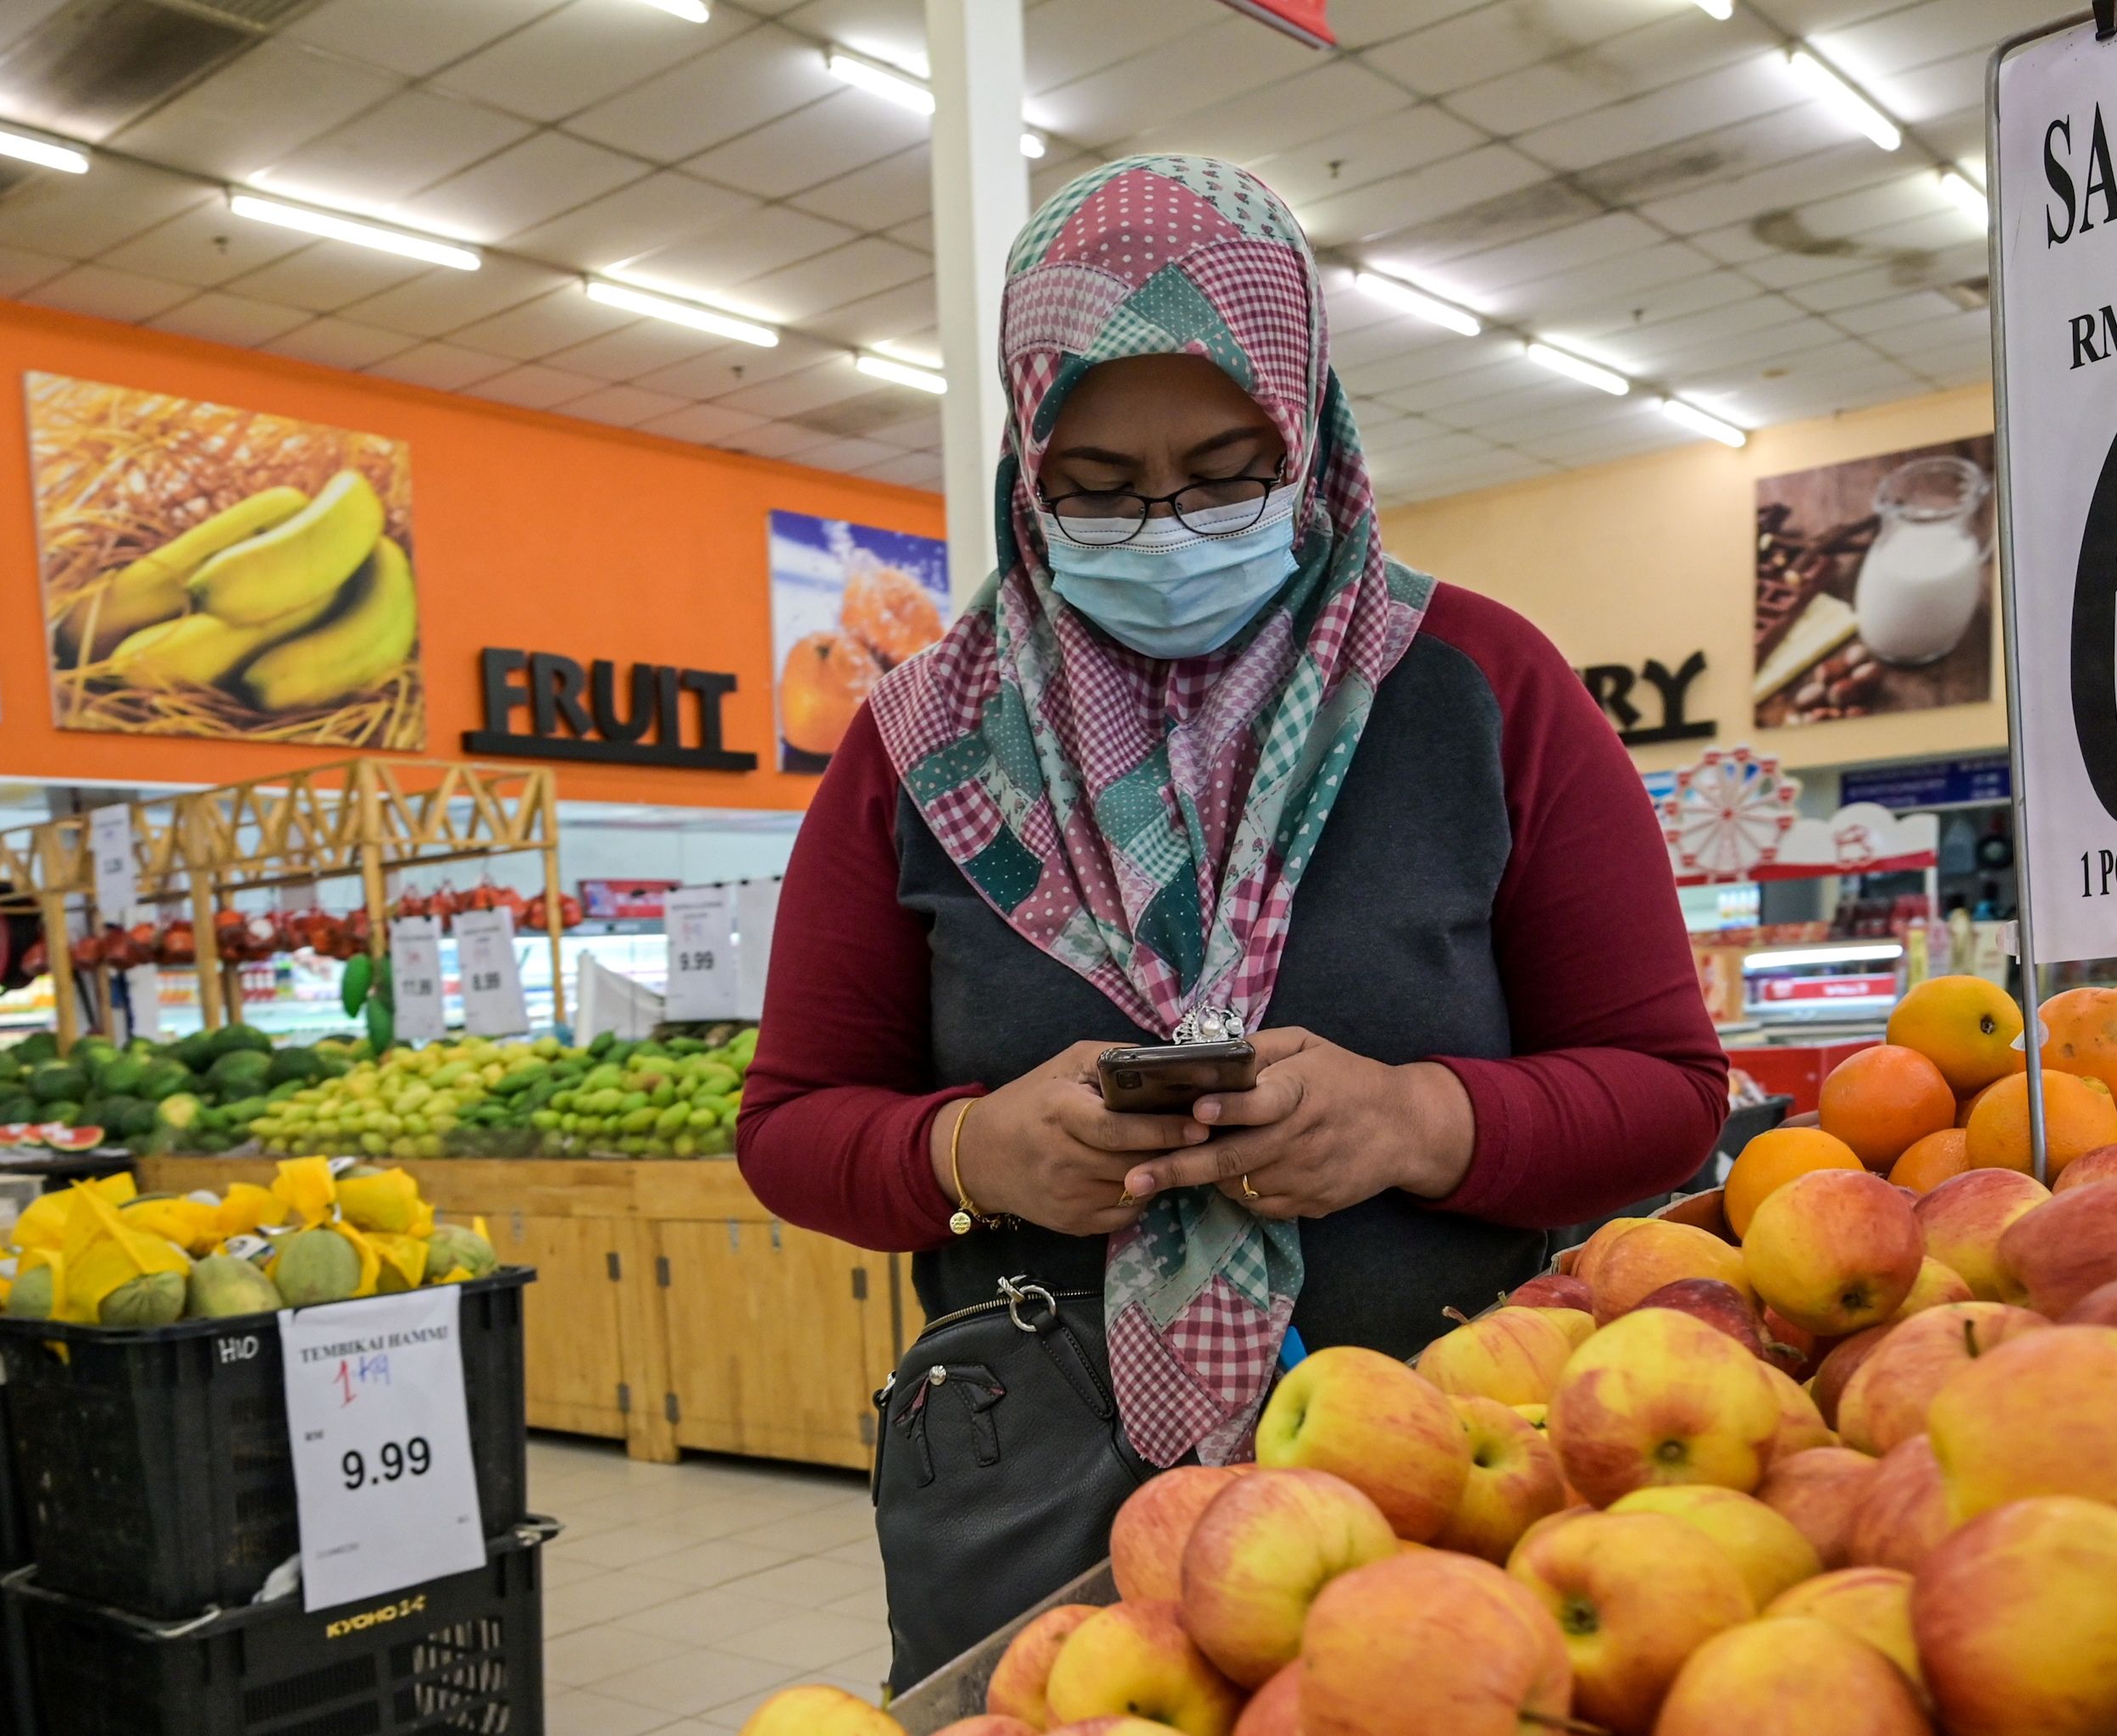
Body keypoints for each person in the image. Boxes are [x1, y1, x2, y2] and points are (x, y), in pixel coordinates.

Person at [739, 155, 1727, 1629]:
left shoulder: (1482, 692)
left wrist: (1413, 1123)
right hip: (1052, 1509)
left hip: (1453, 1464)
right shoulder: (916, 751)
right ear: (1026, 462)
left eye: (1223, 477)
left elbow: (1668, 1089)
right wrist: (975, 1154)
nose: (1164, 531)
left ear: (1308, 433)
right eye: (1096, 489)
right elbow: (789, 1125)